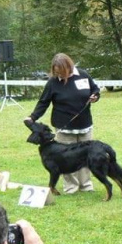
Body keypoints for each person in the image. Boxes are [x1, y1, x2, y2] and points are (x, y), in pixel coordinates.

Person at [25, 53, 100, 194]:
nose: (58, 74)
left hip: (85, 124)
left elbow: (95, 89)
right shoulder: (53, 82)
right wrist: (33, 117)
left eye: (61, 71)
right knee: (66, 159)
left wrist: (95, 96)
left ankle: (86, 185)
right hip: (64, 127)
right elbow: (43, 102)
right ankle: (71, 187)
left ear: (68, 67)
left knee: (86, 156)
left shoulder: (83, 75)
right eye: (56, 71)